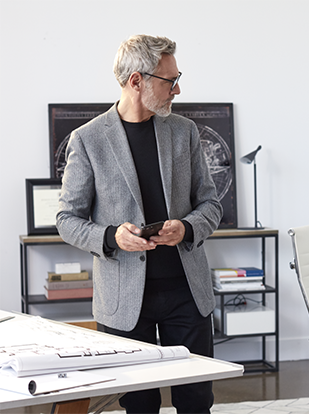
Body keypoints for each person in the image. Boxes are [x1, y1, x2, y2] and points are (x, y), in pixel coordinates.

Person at [56, 34, 223, 414]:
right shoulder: (87, 140)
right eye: (169, 80)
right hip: (125, 300)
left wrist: (188, 228)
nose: (177, 89)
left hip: (187, 292)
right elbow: (66, 220)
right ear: (137, 81)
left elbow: (211, 204)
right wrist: (112, 237)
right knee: (139, 405)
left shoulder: (184, 131)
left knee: (197, 401)